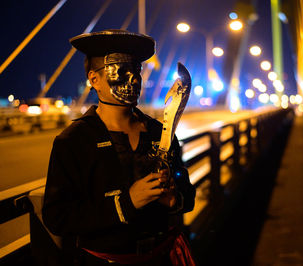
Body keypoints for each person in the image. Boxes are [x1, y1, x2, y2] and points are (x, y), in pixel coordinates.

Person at [42, 29, 196, 266]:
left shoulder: (160, 132)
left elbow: (187, 192)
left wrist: (175, 198)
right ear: (94, 80)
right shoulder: (74, 141)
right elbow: (57, 217)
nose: (133, 79)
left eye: (136, 71)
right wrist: (125, 204)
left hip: (164, 257)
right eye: (121, 72)